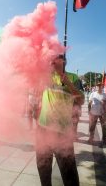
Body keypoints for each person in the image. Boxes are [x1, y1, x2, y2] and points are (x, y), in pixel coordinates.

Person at [36, 54, 84, 186]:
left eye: (56, 59)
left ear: (63, 61)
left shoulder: (73, 77)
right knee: (43, 166)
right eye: (51, 60)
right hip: (43, 129)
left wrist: (68, 84)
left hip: (63, 131)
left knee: (69, 171)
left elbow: (81, 100)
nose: (52, 62)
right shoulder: (46, 76)